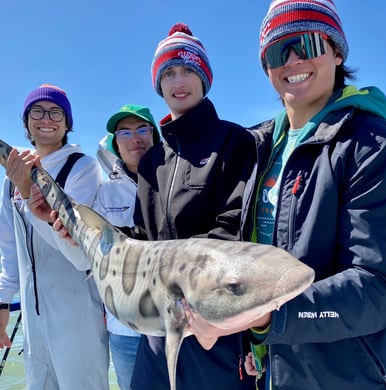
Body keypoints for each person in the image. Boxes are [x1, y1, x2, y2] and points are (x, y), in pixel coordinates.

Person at [184, 1, 386, 389]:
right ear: (266, 67)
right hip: (272, 370)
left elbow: (379, 284)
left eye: (308, 43)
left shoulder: (373, 144)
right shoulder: (261, 146)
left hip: (348, 375)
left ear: (336, 50)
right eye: (279, 51)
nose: (293, 60)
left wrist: (269, 316)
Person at [130, 23, 257, 390]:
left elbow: (234, 227)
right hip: (158, 330)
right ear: (159, 84)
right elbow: (141, 238)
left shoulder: (235, 141)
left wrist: (185, 290)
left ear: (204, 78)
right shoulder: (152, 159)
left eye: (187, 69)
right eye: (168, 73)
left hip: (214, 328)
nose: (178, 80)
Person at [0, 84, 109, 389]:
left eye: (56, 112)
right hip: (33, 321)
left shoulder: (81, 168)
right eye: (37, 110)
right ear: (26, 122)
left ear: (67, 123)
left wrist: (27, 191)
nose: (46, 118)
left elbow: (79, 254)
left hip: (78, 316)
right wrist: (3, 303)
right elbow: (10, 250)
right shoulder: (11, 177)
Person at [93, 104, 160, 390]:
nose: (135, 138)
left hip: (172, 322)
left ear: (155, 135)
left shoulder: (175, 182)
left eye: (143, 129)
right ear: (115, 143)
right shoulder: (105, 192)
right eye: (125, 132)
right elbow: (95, 251)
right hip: (124, 328)